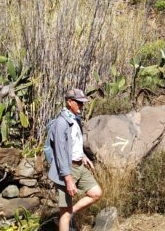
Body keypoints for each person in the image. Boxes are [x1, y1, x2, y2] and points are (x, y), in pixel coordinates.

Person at [48, 88, 102, 231]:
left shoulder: (75, 120)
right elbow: (60, 152)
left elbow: (74, 144)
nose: (82, 106)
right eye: (79, 103)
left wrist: (83, 156)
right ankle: (66, 217)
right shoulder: (61, 123)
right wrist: (68, 179)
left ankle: (69, 215)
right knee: (64, 213)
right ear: (69, 102)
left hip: (79, 165)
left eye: (82, 103)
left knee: (96, 193)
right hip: (67, 169)